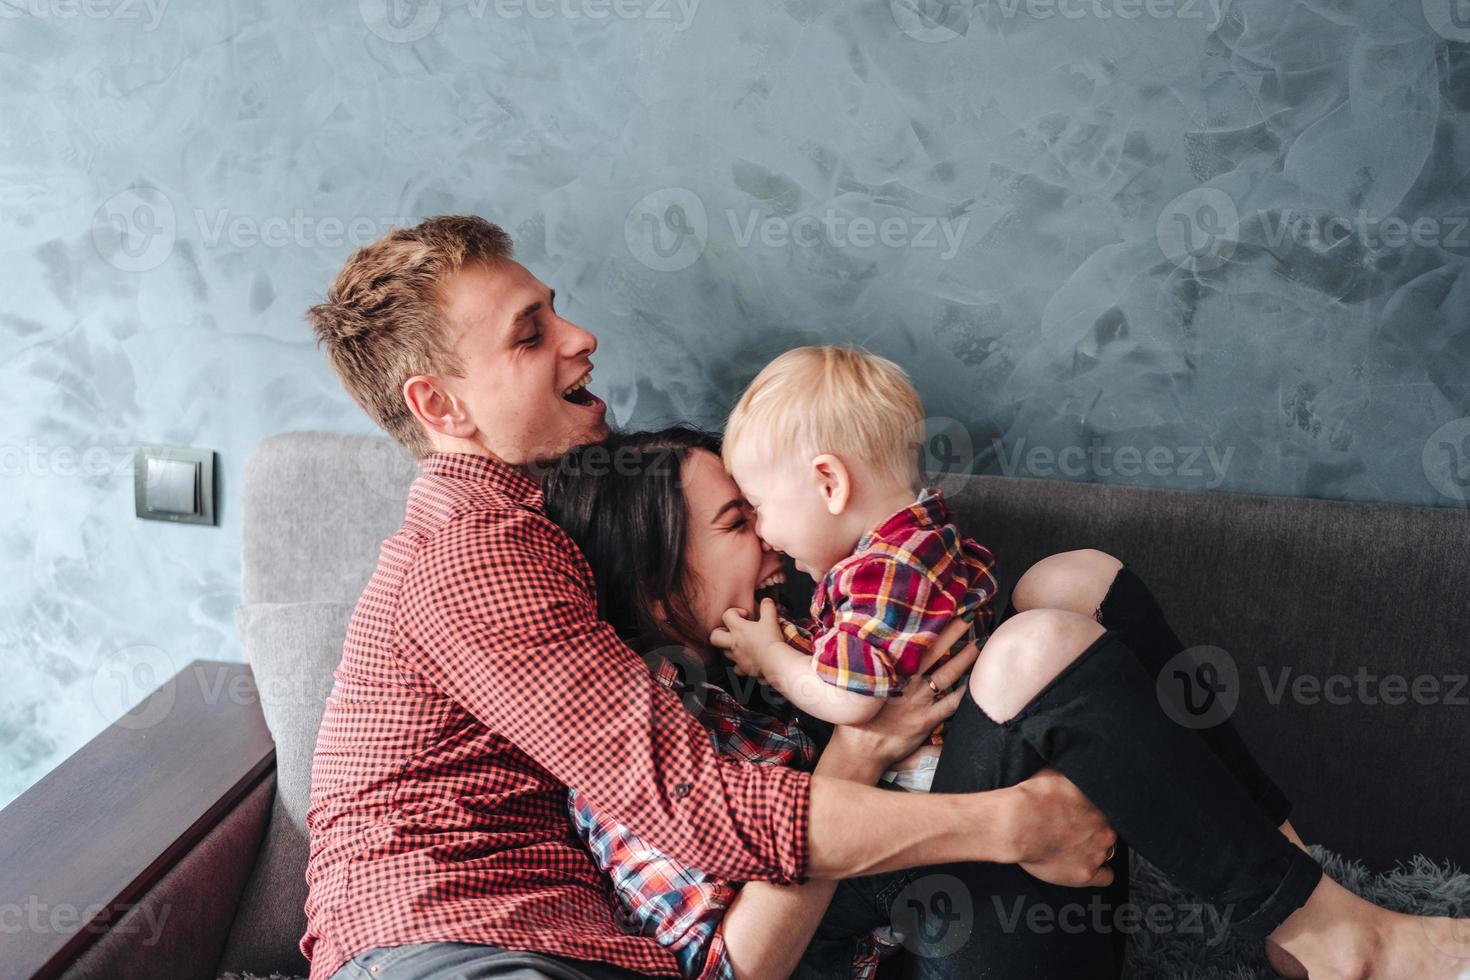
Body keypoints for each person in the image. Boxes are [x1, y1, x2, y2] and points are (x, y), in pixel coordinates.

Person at [302, 216, 1114, 980]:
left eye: (556, 313)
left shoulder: (562, 536)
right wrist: (1014, 824)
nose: (582, 339)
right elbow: (701, 808)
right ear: (439, 406)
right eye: (529, 335)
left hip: (563, 943)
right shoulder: (476, 556)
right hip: (438, 947)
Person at [543, 426, 1470, 980]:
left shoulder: (766, 649)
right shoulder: (628, 741)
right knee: (1037, 649)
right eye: (737, 525)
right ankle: (1347, 946)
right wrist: (865, 757)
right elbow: (730, 970)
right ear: (659, 586)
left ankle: (1309, 928)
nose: (775, 547)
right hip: (918, 953)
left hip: (987, 901)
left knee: (1077, 582)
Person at [714, 345, 998, 794]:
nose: (762, 533)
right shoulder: (920, 540)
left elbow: (851, 701)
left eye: (757, 506)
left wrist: (770, 656)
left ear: (830, 483)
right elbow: (854, 646)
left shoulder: (884, 569)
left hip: (929, 776)